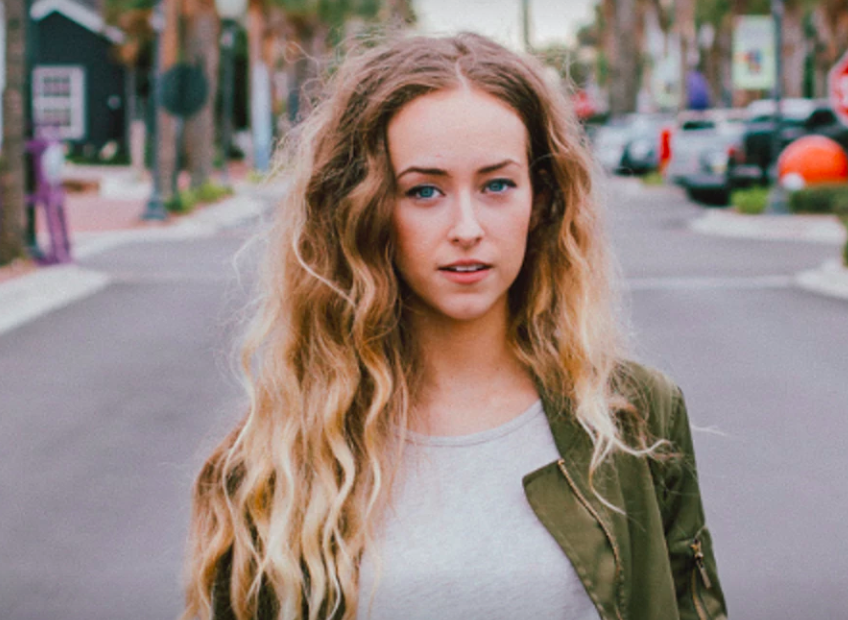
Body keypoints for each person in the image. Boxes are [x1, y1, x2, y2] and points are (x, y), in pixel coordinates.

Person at [182, 32, 727, 620]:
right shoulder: (279, 455)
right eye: (424, 190)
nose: (466, 226)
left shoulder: (632, 417)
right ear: (364, 209)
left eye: (497, 185)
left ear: (540, 200)